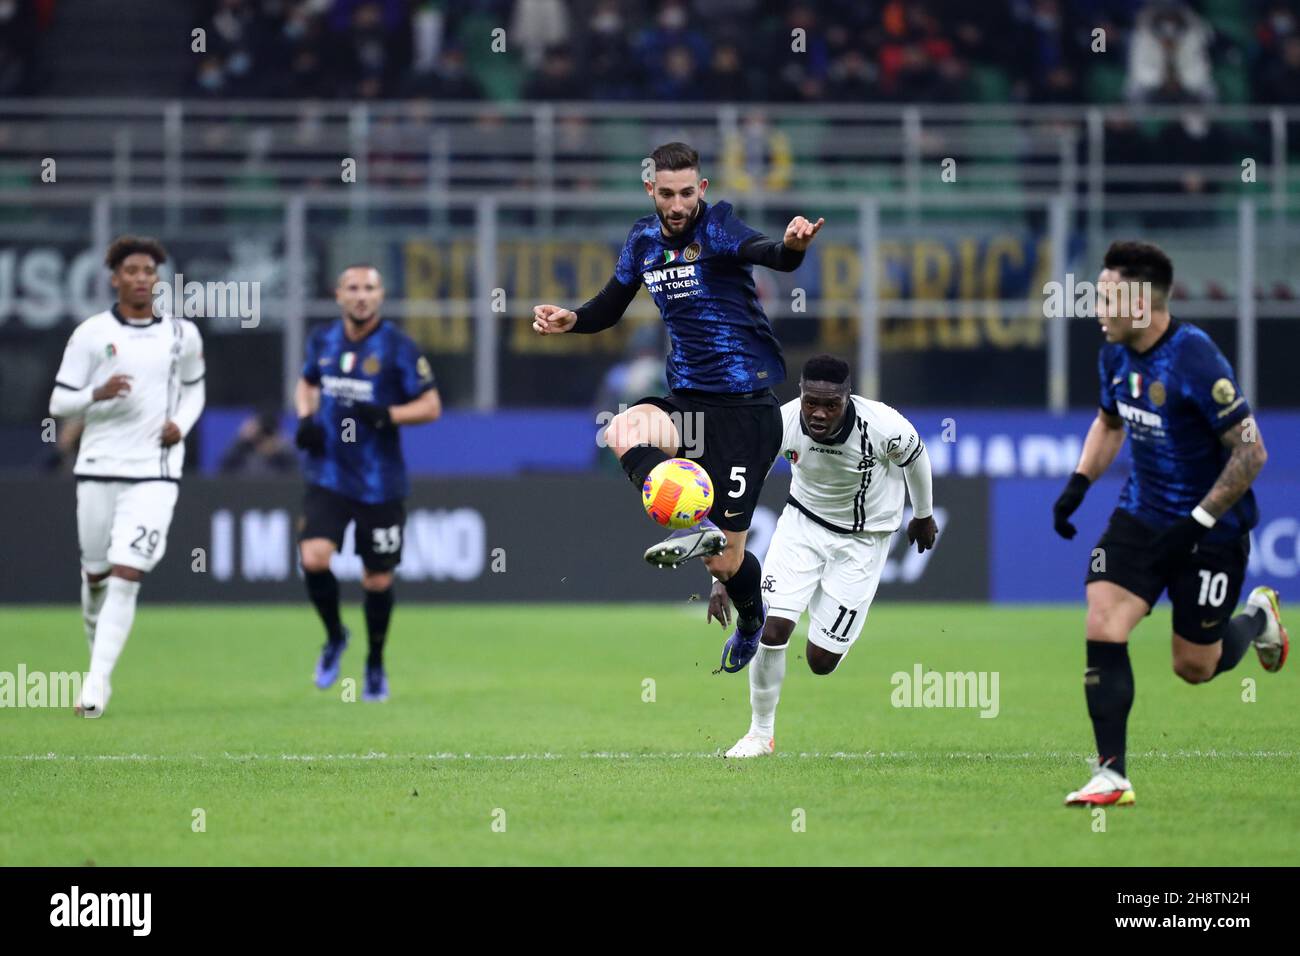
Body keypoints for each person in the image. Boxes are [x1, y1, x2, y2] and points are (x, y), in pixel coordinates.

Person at [531, 140, 823, 673]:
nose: (678, 204)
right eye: (667, 194)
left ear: (702, 190)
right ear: (651, 190)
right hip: (688, 404)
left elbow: (771, 255)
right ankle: (686, 510)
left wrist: (794, 247)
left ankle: (752, 623)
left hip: (746, 413)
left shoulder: (718, 227)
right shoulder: (643, 239)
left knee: (726, 561)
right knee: (621, 430)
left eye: (688, 192)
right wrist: (573, 319)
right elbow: (608, 307)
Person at [1051, 240, 1288, 807]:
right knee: (1103, 619)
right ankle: (1111, 776)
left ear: (1141, 302)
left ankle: (1256, 619)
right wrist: (1078, 484)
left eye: (1106, 297)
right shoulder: (1113, 353)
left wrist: (1200, 520)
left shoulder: (1196, 359)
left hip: (1213, 533)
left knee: (1195, 666)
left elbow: (1252, 453)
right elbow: (1109, 423)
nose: (1097, 308)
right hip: (1140, 515)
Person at [712, 354, 936, 757]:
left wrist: (922, 515)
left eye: (830, 404)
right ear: (800, 393)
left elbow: (917, 458)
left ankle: (821, 605)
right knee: (772, 629)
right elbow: (742, 495)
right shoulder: (781, 423)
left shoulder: (883, 425)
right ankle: (760, 735)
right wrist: (722, 575)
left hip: (863, 542)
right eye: (811, 401)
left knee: (821, 661)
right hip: (802, 527)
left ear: (847, 398)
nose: (818, 413)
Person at [47, 235, 206, 717]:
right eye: (132, 271)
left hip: (155, 472)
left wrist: (183, 423)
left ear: (158, 279)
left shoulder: (183, 335)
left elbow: (195, 390)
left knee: (127, 571)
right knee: (96, 576)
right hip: (97, 467)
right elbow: (58, 403)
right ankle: (98, 657)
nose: (141, 279)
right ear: (115, 278)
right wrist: (97, 393)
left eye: (149, 272)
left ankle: (95, 683)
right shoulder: (91, 334)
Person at [295, 265, 441, 702]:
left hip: (380, 481)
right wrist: (305, 417)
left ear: (381, 296)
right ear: (338, 295)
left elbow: (432, 405)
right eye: (353, 288)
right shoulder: (321, 339)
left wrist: (390, 415)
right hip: (329, 473)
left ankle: (375, 661)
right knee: (314, 557)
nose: (361, 296)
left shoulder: (398, 346)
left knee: (376, 580)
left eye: (370, 288)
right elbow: (306, 383)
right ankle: (335, 635)